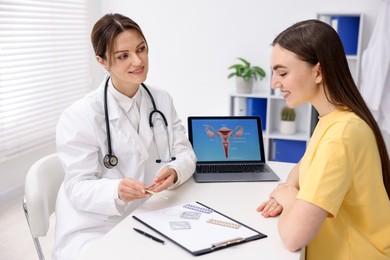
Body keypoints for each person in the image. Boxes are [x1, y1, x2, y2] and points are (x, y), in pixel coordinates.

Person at [52, 13, 196, 260]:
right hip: (97, 226)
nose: (138, 61)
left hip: (149, 212)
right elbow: (77, 188)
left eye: (142, 49)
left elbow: (185, 152)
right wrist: (116, 190)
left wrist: (174, 172)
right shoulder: (80, 116)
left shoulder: (161, 99)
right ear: (102, 61)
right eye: (123, 56)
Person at [257, 19, 390, 259]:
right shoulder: (333, 119)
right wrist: (291, 194)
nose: (275, 83)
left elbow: (293, 237)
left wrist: (290, 199)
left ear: (318, 72)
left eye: (282, 73)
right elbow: (300, 170)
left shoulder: (340, 136)